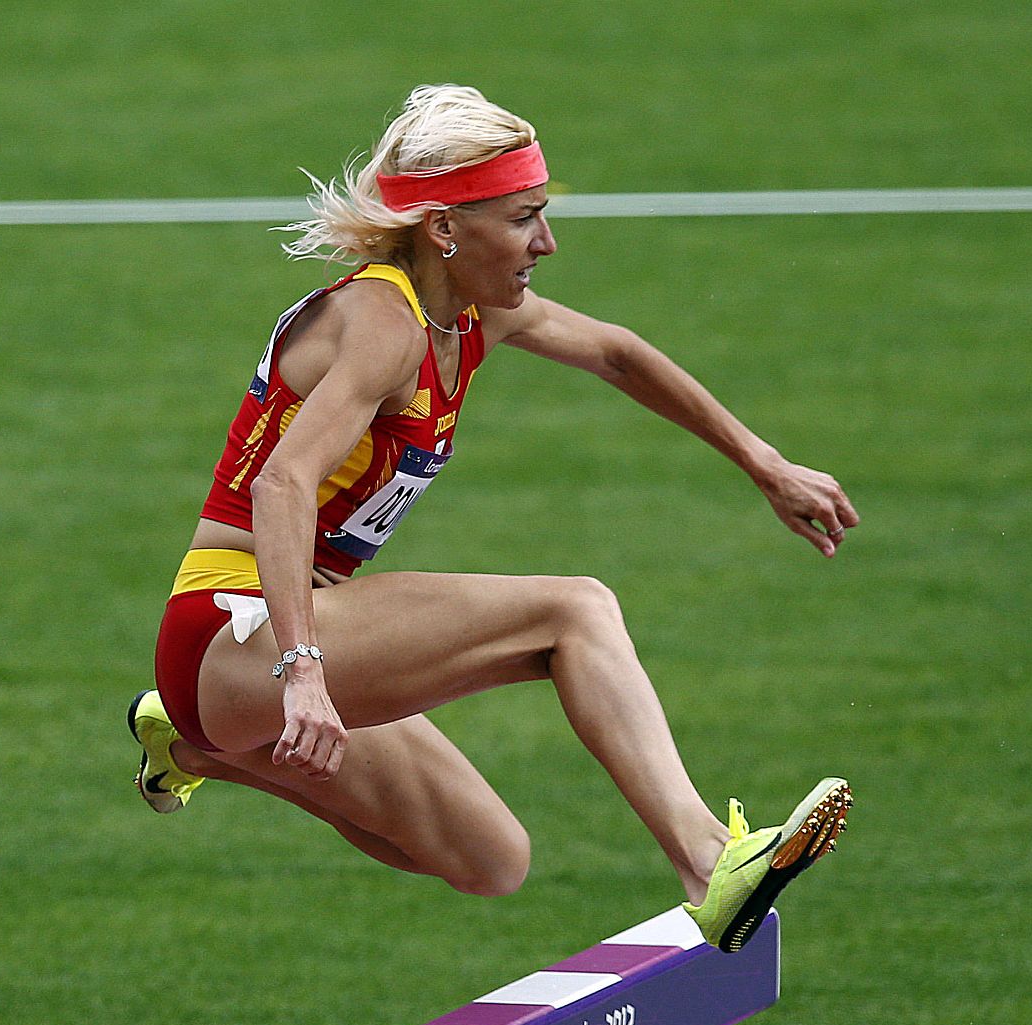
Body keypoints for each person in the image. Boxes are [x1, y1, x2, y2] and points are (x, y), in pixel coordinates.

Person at [128, 84, 856, 953]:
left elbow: (618, 354)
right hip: (234, 627)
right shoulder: (380, 321)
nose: (546, 242)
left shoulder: (475, 315)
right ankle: (709, 860)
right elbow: (282, 486)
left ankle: (195, 745)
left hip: (261, 660)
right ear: (445, 229)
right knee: (574, 609)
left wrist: (764, 463)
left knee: (491, 858)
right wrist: (305, 671)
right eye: (524, 219)